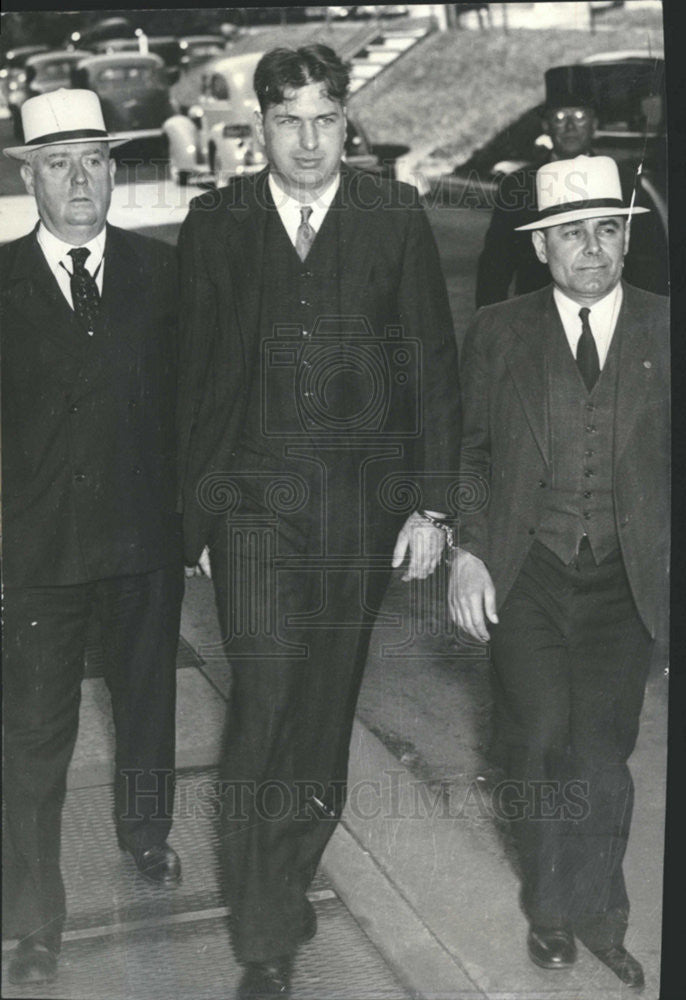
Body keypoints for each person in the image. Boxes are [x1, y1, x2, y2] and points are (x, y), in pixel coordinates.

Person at [177, 44, 460, 999]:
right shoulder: (216, 224)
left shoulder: (394, 218)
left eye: (325, 118)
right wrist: (198, 523)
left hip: (359, 519)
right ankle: (265, 938)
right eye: (288, 119)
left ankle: (286, 880)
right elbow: (192, 383)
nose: (307, 140)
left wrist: (432, 505)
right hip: (252, 514)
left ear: (349, 124)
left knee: (322, 720)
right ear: (258, 128)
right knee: (262, 708)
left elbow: (432, 368)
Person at [450, 154, 668, 989]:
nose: (592, 249)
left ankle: (598, 916)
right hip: (528, 570)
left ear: (624, 239)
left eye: (607, 230)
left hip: (625, 579)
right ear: (541, 249)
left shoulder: (663, 326)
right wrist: (469, 551)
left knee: (600, 757)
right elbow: (469, 455)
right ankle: (548, 908)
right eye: (572, 234)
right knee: (538, 741)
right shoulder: (500, 332)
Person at [1, 89, 184, 986]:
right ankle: (33, 919)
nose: (81, 180)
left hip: (144, 545)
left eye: (96, 160)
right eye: (60, 162)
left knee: (149, 711)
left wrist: (192, 524)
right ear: (27, 174)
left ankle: (146, 837)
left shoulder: (163, 274)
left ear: (115, 169)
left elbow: (194, 407)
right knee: (33, 741)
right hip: (35, 560)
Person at [475, 64, 667, 306]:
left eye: (579, 117)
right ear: (546, 126)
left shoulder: (624, 181)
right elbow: (496, 264)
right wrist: (488, 326)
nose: (569, 127)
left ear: (594, 123)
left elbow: (651, 259)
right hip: (539, 317)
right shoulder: (519, 186)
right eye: (559, 117)